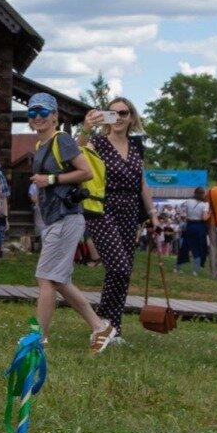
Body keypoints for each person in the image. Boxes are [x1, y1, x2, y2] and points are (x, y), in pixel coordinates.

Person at [27, 92, 116, 353]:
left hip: (67, 217)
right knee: (58, 280)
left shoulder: (61, 139)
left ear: (55, 116)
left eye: (44, 112)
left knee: (44, 277)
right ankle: (100, 327)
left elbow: (85, 172)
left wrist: (50, 181)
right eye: (33, 112)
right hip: (55, 218)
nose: (38, 117)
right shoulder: (41, 146)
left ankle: (38, 339)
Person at [78, 97, 160, 341]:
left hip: (130, 212)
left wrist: (153, 214)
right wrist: (86, 126)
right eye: (112, 113)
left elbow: (142, 183)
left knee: (123, 273)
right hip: (103, 209)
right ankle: (103, 325)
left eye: (123, 113)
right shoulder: (98, 142)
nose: (118, 118)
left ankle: (112, 329)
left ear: (131, 117)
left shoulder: (136, 147)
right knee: (118, 267)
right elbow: (77, 151)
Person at [174, 187, 210, 276]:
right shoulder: (205, 204)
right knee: (198, 248)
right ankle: (195, 271)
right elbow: (204, 218)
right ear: (203, 194)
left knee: (185, 246)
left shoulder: (188, 201)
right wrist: (210, 213)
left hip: (189, 225)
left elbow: (185, 214)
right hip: (199, 226)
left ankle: (177, 268)